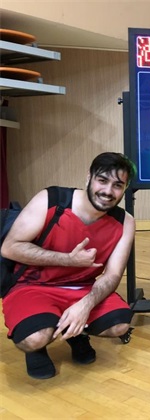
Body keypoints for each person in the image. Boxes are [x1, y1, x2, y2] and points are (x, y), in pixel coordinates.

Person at [1, 152, 137, 379]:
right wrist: (68, 260)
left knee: (119, 325)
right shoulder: (51, 200)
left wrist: (85, 306)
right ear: (89, 177)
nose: (108, 191)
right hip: (33, 285)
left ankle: (77, 333)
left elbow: (113, 275)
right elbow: (10, 248)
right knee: (33, 338)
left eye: (117, 185)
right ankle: (38, 348)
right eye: (102, 180)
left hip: (81, 288)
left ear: (124, 189)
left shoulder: (125, 221)